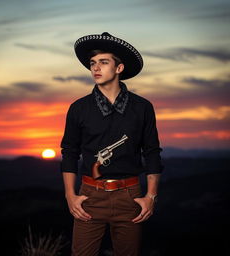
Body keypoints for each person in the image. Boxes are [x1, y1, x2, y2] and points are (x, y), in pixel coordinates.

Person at [60, 32, 163, 256]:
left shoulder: (142, 107)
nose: (95, 68)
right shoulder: (79, 108)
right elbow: (69, 153)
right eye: (92, 63)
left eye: (103, 62)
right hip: (90, 195)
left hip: (130, 196)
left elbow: (152, 153)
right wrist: (70, 195)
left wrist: (151, 196)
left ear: (119, 68)